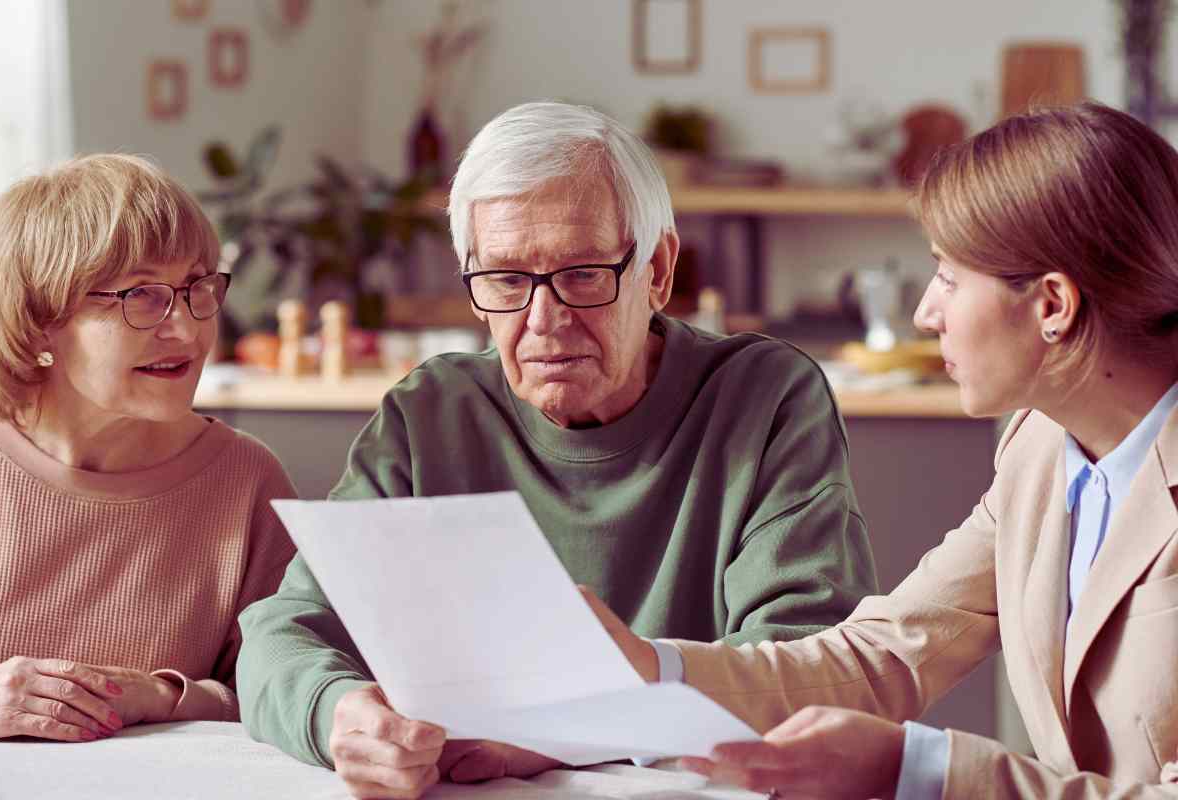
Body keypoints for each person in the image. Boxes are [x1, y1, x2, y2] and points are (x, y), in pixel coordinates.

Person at [237, 101, 877, 799]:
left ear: (658, 270)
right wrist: (337, 715)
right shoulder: (430, 414)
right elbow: (280, 635)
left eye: (582, 273)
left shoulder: (766, 398)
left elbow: (808, 668)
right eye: (507, 280)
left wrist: (564, 733)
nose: (545, 321)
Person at [589, 102, 1178, 799]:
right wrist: (649, 670)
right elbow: (888, 654)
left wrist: (919, 769)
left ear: (1052, 304)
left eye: (949, 277)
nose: (926, 314)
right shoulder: (1043, 448)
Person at [0, 154, 296, 742]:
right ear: (39, 318)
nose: (187, 329)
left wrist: (165, 696)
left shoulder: (245, 477)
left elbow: (288, 693)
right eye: (142, 295)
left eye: (197, 287)